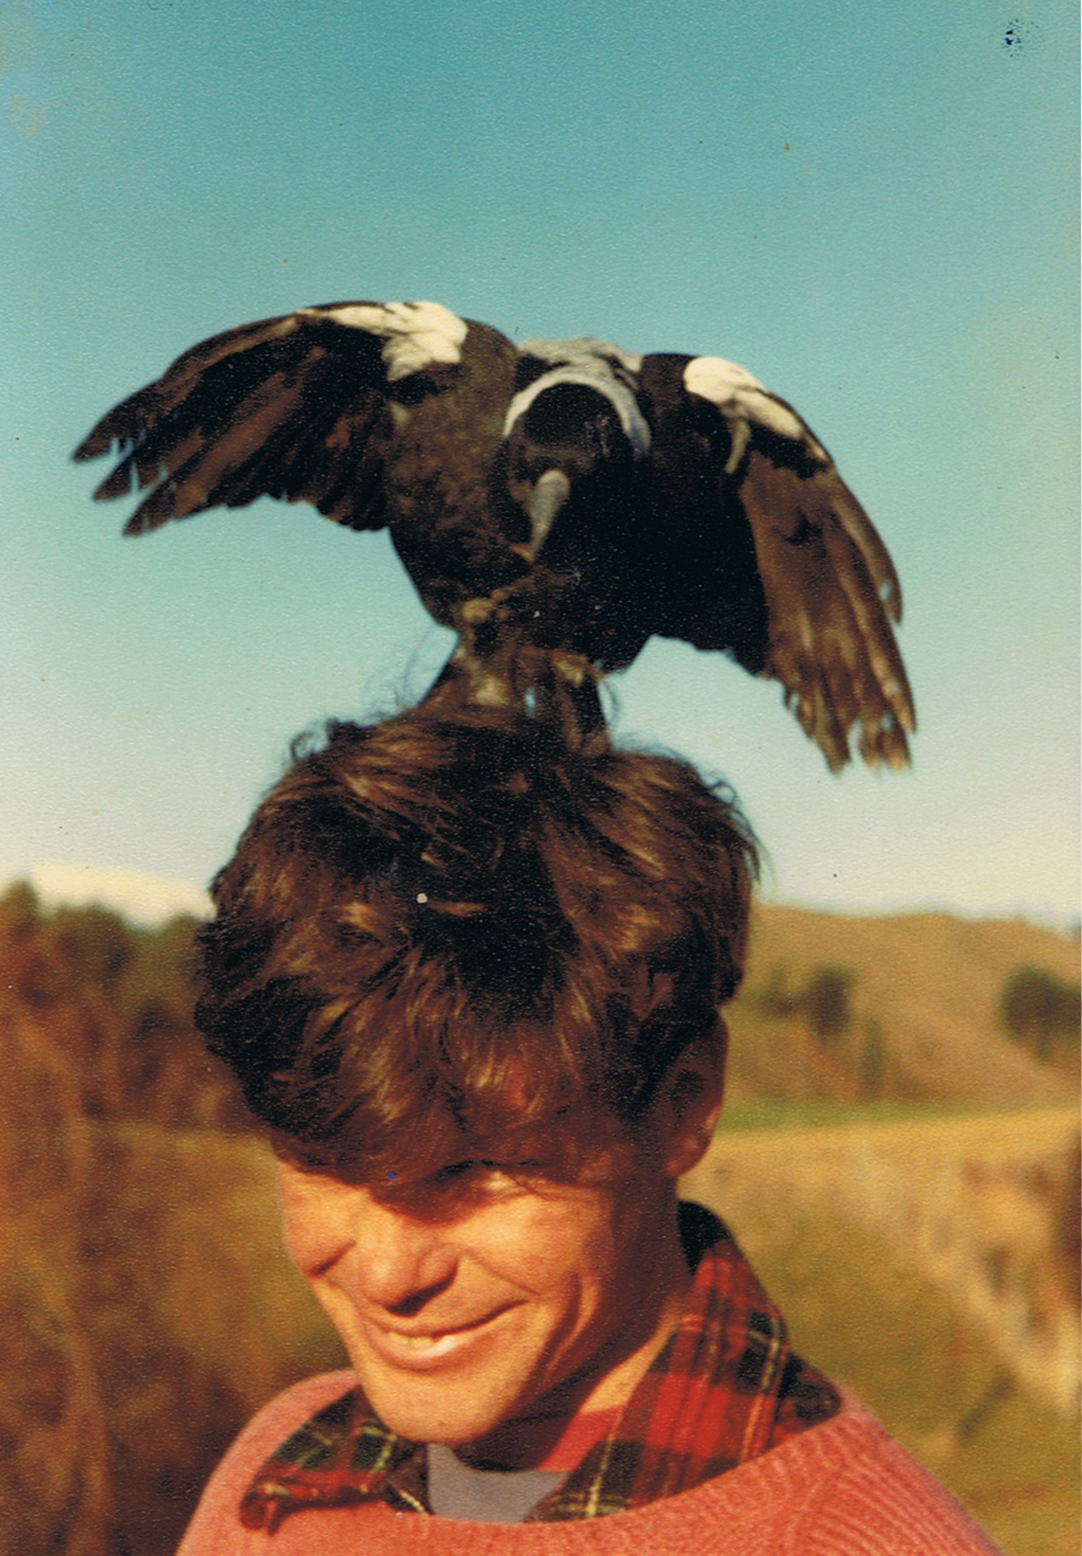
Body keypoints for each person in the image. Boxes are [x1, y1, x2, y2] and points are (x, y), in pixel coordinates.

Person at [179, 704, 1000, 1553]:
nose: (389, 1274)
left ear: (682, 1103)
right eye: (321, 1163)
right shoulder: (268, 1486)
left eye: (473, 1169)